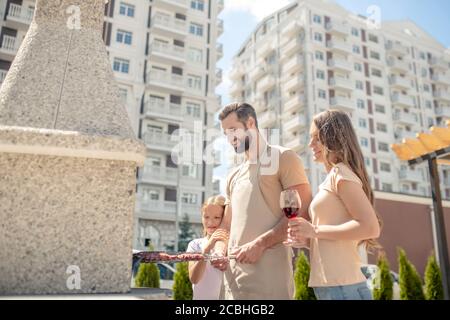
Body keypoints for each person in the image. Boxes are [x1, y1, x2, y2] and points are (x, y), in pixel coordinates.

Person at [209, 102, 312, 299]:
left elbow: (300, 212)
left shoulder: (284, 158)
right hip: (233, 282)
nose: (230, 138)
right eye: (225, 133)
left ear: (250, 123)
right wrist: (220, 249)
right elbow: (227, 225)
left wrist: (260, 244)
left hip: (270, 281)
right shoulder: (233, 175)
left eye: (233, 130)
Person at [288, 109, 381, 300]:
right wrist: (308, 240)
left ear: (333, 139)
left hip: (342, 288)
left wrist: (314, 231)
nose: (310, 144)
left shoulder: (341, 174)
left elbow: (370, 227)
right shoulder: (332, 178)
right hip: (332, 286)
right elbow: (330, 236)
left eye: (316, 138)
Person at [187, 195, 228, 300]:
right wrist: (207, 249)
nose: (210, 222)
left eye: (217, 217)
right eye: (206, 217)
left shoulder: (232, 246)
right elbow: (194, 279)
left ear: (225, 219)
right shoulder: (195, 245)